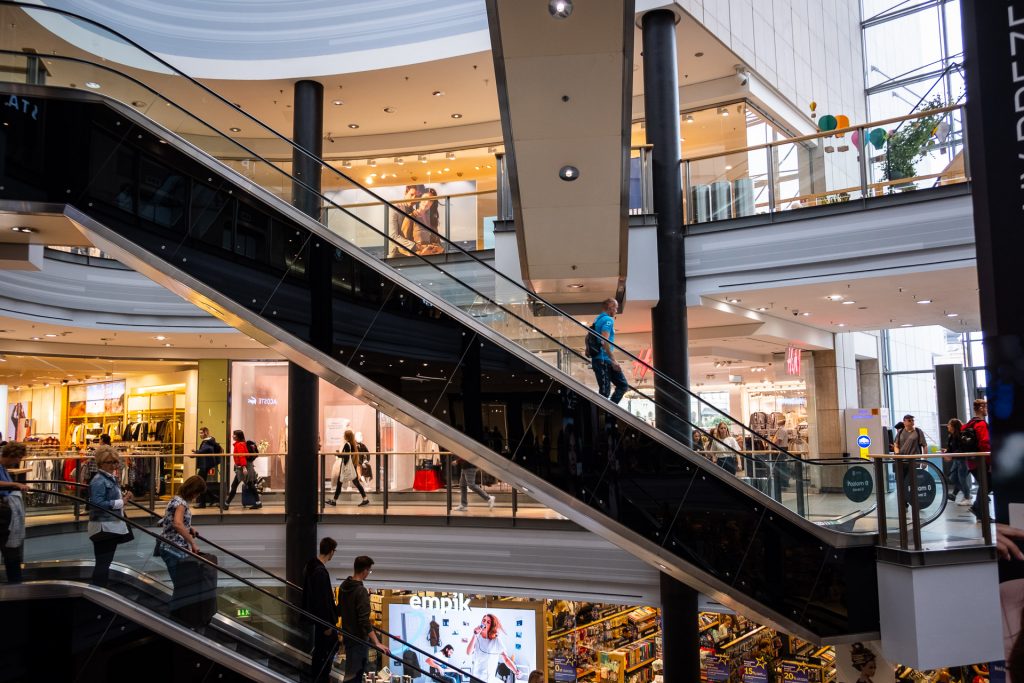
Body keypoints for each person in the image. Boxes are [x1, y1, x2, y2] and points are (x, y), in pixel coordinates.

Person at [87, 445, 133, 587]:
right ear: (101, 463)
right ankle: (98, 590)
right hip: (104, 527)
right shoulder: (99, 480)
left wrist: (122, 499)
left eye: (115, 462)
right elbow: (97, 503)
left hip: (109, 526)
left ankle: (100, 588)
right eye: (110, 462)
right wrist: (121, 502)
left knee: (104, 562)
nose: (114, 465)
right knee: (103, 562)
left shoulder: (109, 478)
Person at [338, 555, 386, 682]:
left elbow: (339, 609)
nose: (368, 574)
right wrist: (377, 642)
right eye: (369, 571)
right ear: (364, 570)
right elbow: (364, 620)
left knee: (350, 674)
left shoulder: (344, 586)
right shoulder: (361, 591)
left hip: (348, 637)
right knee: (355, 676)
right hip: (358, 640)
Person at [302, 537, 340, 683]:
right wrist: (327, 625)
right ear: (331, 552)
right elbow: (322, 600)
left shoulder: (311, 567)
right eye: (334, 552)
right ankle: (321, 679)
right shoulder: (320, 571)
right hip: (324, 622)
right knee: (325, 652)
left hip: (319, 620)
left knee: (321, 652)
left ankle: (320, 677)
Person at [158, 474, 205, 587]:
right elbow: (177, 524)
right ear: (192, 490)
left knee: (182, 583)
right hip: (174, 548)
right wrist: (193, 543)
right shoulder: (181, 504)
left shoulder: (176, 499)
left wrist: (189, 528)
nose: (197, 496)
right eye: (197, 493)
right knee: (182, 585)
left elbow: (172, 520)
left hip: (169, 546)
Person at [590, 298, 628, 404]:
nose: (616, 310)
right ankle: (607, 416)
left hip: (600, 359)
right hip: (603, 360)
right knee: (606, 392)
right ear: (610, 307)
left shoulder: (597, 319)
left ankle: (609, 414)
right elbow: (604, 340)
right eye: (616, 307)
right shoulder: (608, 320)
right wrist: (613, 360)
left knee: (621, 386)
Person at [0, 442, 27, 583]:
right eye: (19, 458)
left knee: (11, 551)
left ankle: (15, 582)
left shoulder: (3, 468)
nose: (19, 461)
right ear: (13, 455)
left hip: (6, 513)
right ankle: (15, 582)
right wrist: (15, 484)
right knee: (10, 550)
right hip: (2, 514)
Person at [466, 613, 519, 682]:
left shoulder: (496, 641)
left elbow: (506, 659)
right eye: (484, 620)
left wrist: (516, 671)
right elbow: (468, 652)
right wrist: (474, 635)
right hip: (475, 677)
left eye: (488, 622)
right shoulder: (477, 637)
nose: (484, 623)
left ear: (491, 626)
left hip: (487, 679)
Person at [326, 430, 369, 507]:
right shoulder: (353, 445)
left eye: (344, 435)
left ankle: (334, 501)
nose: (343, 436)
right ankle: (365, 499)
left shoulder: (347, 444)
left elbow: (346, 457)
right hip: (352, 466)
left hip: (347, 467)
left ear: (347, 436)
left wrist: (338, 455)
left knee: (340, 483)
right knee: (356, 483)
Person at [965, 399, 991, 520]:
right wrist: (990, 462)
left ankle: (979, 511)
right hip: (981, 461)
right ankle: (978, 510)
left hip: (971, 462)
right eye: (986, 407)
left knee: (985, 485)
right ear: (980, 408)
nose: (987, 409)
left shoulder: (969, 423)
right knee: (987, 485)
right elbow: (985, 443)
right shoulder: (981, 424)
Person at [225, 429, 260, 509]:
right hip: (244, 467)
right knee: (250, 485)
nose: (233, 436)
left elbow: (242, 456)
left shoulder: (239, 445)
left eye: (234, 435)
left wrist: (244, 467)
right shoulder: (241, 443)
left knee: (235, 485)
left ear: (238, 436)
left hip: (243, 468)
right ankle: (258, 502)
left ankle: (226, 504)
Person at [943, 418, 972, 506]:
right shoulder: (951, 436)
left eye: (949, 425)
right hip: (956, 460)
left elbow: (962, 449)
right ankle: (967, 494)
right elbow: (950, 448)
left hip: (962, 460)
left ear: (953, 426)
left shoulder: (961, 435)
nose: (947, 426)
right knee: (953, 478)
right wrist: (947, 452)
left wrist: (951, 454)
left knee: (962, 479)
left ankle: (967, 497)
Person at [388, 184, 423, 257]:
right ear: (405, 193)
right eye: (411, 194)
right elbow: (393, 236)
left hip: (412, 254)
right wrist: (413, 246)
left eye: (416, 196)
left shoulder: (414, 211)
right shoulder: (395, 208)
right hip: (397, 254)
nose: (413, 198)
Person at [192, 426, 222, 508]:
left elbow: (204, 450)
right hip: (206, 465)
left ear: (206, 433)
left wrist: (195, 453)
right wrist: (196, 452)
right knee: (202, 483)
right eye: (200, 433)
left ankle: (205, 502)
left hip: (205, 465)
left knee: (200, 483)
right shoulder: (211, 440)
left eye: (201, 433)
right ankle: (213, 499)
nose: (200, 434)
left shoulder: (207, 442)